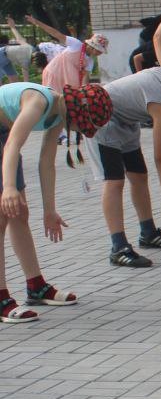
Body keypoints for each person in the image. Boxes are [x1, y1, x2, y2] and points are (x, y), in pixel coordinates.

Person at [95, 0, 161, 269]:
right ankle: (118, 246)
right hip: (102, 115)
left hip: (125, 118)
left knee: (138, 175)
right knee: (115, 181)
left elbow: (158, 37)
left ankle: (148, 232)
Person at [0, 82, 111, 321]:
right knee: (2, 215)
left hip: (4, 136)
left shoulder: (60, 111)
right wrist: (9, 187)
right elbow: (13, 145)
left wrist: (49, 211)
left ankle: (36, 285)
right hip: (6, 141)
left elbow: (46, 162)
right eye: (79, 126)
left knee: (19, 212)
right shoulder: (38, 102)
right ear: (75, 112)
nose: (77, 130)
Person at [27, 15, 107, 92]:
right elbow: (55, 33)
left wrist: (84, 92)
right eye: (99, 50)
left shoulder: (90, 61)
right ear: (92, 46)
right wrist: (37, 22)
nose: (100, 53)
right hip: (54, 75)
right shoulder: (76, 44)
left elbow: (84, 79)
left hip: (69, 86)